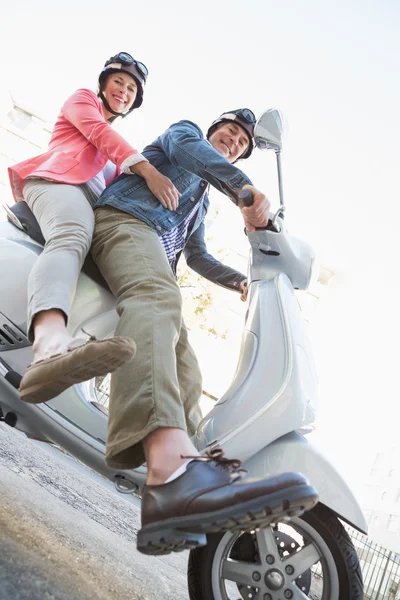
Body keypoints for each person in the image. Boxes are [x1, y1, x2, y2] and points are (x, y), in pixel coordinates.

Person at [91, 108, 318, 555]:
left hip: (151, 259)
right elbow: (189, 151)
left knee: (188, 369)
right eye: (229, 134)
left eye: (239, 144)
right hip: (123, 225)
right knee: (159, 299)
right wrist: (242, 187)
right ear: (213, 130)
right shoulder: (184, 136)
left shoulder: (202, 202)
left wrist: (241, 281)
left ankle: (193, 482)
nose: (232, 142)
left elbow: (196, 256)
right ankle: (169, 472)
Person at [8, 52, 180, 405]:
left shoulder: (114, 164)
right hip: (57, 184)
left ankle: (113, 394)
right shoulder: (82, 101)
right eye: (119, 81)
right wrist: (149, 170)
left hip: (92, 207)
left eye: (132, 89)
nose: (124, 91)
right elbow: (100, 134)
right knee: (72, 234)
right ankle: (49, 343)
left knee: (134, 286)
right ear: (104, 84)